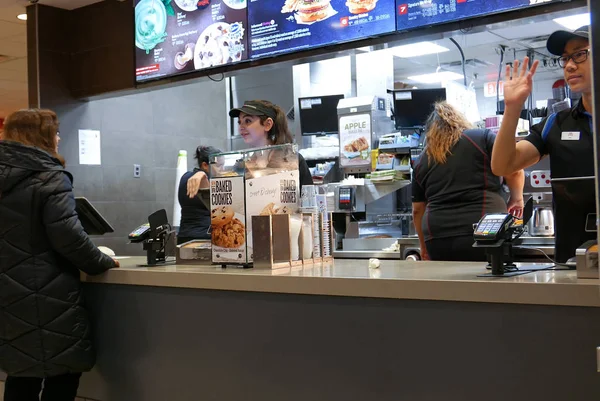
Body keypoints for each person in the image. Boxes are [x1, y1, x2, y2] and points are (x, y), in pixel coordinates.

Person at [0, 109, 119, 401]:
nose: (59, 138)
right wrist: (101, 261)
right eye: (54, 132)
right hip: (48, 294)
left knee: (21, 372)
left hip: (7, 295)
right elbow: (68, 237)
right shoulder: (50, 177)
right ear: (41, 136)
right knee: (63, 373)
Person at [490, 25, 596, 263]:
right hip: (572, 261)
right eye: (566, 58)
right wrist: (513, 108)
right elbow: (502, 166)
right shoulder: (556, 124)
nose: (569, 65)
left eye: (579, 54)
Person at [412, 102, 525, 261]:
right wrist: (517, 198)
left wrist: (423, 247)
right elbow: (514, 169)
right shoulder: (482, 138)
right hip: (486, 231)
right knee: (490, 283)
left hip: (437, 238)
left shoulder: (422, 160)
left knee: (447, 285)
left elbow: (417, 210)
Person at [186, 100, 313, 198]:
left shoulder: (293, 160)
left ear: (267, 124)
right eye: (239, 122)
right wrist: (202, 177)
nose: (241, 127)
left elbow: (309, 204)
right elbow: (225, 208)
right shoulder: (241, 167)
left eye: (247, 121)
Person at [177, 145, 222, 244]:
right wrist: (202, 174)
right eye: (218, 166)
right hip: (203, 238)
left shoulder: (185, 176)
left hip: (184, 236)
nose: (221, 170)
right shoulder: (203, 180)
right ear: (205, 165)